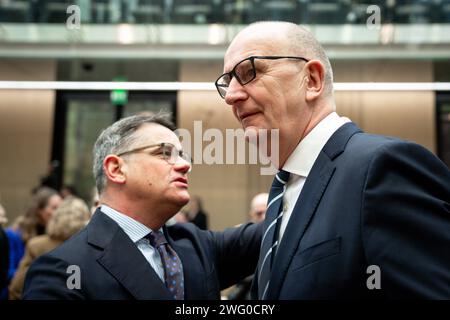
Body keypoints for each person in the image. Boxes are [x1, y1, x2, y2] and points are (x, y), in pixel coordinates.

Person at [217, 21, 450, 299]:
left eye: (249, 72)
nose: (231, 95)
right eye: (227, 81)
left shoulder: (382, 167)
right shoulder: (285, 190)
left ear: (312, 80)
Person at [23, 113, 261, 300]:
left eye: (183, 156)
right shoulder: (63, 270)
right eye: (164, 153)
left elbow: (284, 224)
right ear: (116, 169)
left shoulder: (195, 244)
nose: (184, 166)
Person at [9, 197, 90, 300]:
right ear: (85, 219)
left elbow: (17, 287)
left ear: (56, 216)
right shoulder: (89, 249)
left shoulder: (36, 245)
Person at [227, 193, 269, 300]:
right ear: (251, 215)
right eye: (259, 213)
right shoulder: (241, 238)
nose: (264, 217)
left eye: (267, 212)